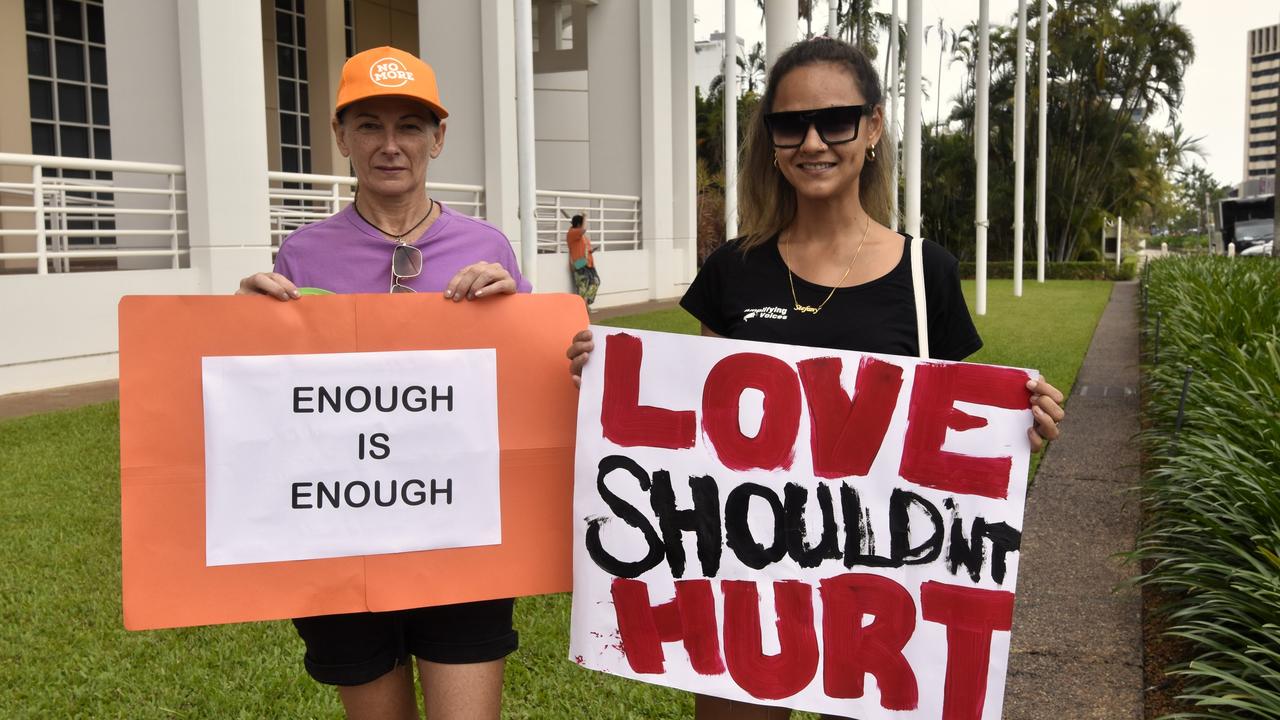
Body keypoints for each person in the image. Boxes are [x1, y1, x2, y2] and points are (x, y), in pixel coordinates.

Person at [566, 36, 1064, 720]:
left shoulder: (929, 276)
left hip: (877, 585)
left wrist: (1017, 426)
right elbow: (697, 434)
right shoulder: (733, 271)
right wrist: (604, 382)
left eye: (835, 121)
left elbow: (946, 445)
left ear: (873, 127)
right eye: (789, 124)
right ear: (770, 138)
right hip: (749, 580)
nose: (812, 142)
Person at [238, 46, 528, 720]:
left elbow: (534, 386)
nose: (391, 145)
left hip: (460, 536)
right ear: (340, 136)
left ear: (439, 138)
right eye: (369, 124)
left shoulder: (489, 248)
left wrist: (527, 325)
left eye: (410, 126)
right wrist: (239, 337)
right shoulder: (302, 253)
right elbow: (279, 412)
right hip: (343, 540)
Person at [566, 213, 600, 307]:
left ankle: (584, 303)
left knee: (595, 282)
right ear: (578, 225)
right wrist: (585, 216)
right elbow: (583, 229)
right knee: (583, 287)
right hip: (579, 263)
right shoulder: (572, 233)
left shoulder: (581, 236)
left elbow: (583, 248)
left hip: (587, 263)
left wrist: (591, 251)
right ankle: (583, 306)